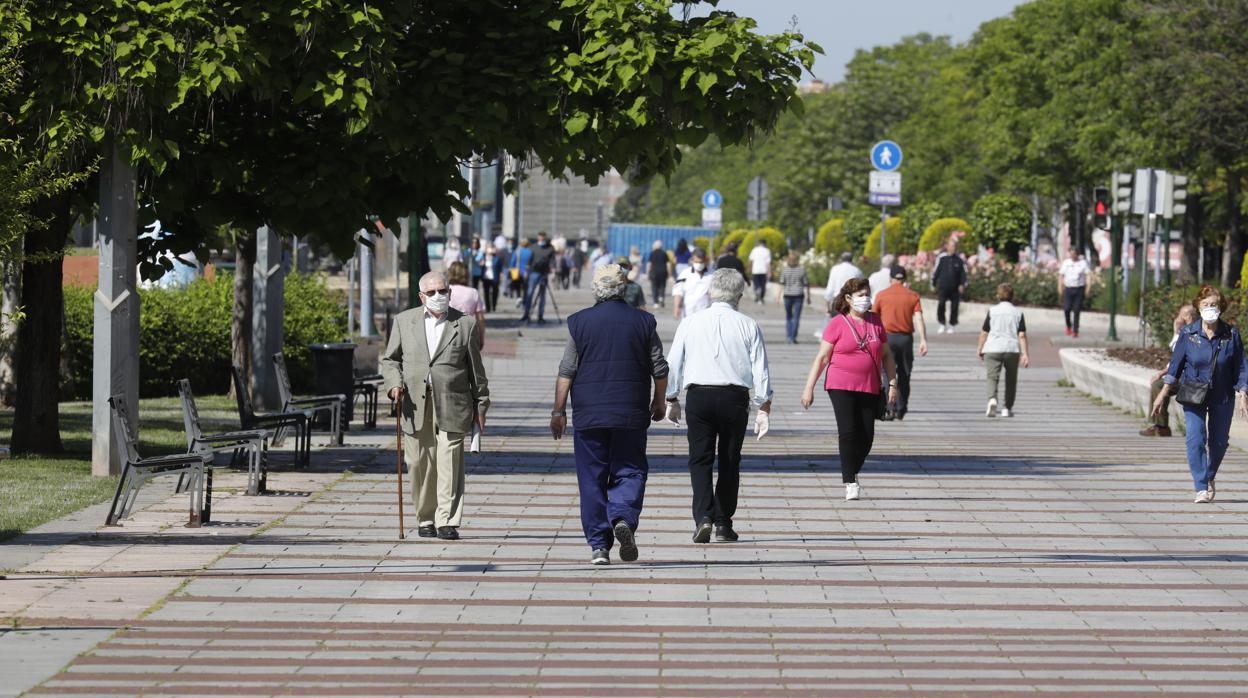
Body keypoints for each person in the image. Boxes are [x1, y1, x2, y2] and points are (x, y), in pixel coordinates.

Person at [550, 264, 669, 565]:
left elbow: (567, 370)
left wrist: (558, 410)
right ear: (624, 286)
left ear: (595, 289)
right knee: (630, 469)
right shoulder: (644, 321)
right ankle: (623, 516)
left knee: (591, 478)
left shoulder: (580, 323)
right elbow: (660, 368)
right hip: (630, 411)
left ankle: (599, 546)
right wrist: (659, 402)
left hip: (589, 414)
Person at [380, 271, 490, 541]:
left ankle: (446, 521)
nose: (438, 296)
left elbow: (476, 370)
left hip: (454, 401)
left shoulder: (465, 324)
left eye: (443, 291)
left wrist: (481, 406)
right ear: (421, 296)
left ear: (450, 293)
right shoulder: (405, 321)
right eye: (432, 293)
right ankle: (425, 517)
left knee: (449, 460)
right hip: (415, 403)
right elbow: (391, 360)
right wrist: (394, 384)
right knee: (419, 463)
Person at [665, 270, 773, 543]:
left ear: (711, 292)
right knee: (729, 460)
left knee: (700, 459)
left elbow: (674, 361)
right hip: (734, 398)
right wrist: (763, 405)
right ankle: (723, 523)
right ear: (739, 294)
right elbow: (760, 368)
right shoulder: (748, 324)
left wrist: (671, 397)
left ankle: (703, 516)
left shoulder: (690, 322)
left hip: (699, 396)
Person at [800, 277, 898, 501]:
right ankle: (850, 481)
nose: (865, 299)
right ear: (848, 299)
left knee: (867, 436)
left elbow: (886, 356)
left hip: (869, 385)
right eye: (860, 295)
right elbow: (822, 357)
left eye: (867, 294)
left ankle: (852, 468)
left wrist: (892, 383)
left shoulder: (875, 322)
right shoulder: (837, 323)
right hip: (840, 384)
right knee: (848, 432)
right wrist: (809, 388)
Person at [1152, 285, 1248, 503]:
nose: (1210, 308)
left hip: (1222, 396)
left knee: (1219, 442)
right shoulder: (1189, 333)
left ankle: (1210, 474)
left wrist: (1243, 393)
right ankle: (1201, 486)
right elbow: (1175, 366)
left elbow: (1241, 366)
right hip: (1194, 394)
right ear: (1198, 306)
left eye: (1214, 304)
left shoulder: (1231, 335)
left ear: (1221, 307)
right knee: (1195, 439)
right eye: (1206, 305)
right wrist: (1163, 393)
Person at [872, 266, 928, 419]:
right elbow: (919, 318)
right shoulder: (913, 295)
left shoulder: (881, 295)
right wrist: (923, 339)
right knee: (904, 374)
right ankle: (901, 408)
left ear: (891, 278)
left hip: (887, 339)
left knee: (886, 374)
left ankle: (889, 407)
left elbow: (873, 318)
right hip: (905, 339)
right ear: (904, 279)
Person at [1141, 304, 1197, 437]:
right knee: (1158, 384)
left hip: (1192, 377)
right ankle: (1161, 425)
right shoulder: (1183, 333)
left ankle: (1192, 430)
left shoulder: (1196, 332)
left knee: (1163, 385)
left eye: (1183, 316)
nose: (1179, 319)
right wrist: (1176, 332)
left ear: (1190, 317)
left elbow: (1184, 358)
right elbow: (1176, 357)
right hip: (1179, 375)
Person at [976, 283, 1030, 418]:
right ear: (1013, 296)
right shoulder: (1018, 313)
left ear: (998, 295)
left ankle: (992, 399)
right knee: (1011, 379)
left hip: (993, 348)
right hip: (1012, 349)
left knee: (992, 377)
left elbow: (984, 332)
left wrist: (980, 348)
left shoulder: (992, 311)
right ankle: (1007, 408)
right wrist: (1025, 354)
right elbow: (1022, 335)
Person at [446, 261, 486, 347]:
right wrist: (481, 338)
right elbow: (480, 318)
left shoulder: (445, 291)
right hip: (467, 334)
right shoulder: (473, 292)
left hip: (447, 334)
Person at [932, 241, 967, 334]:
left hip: (955, 288)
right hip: (943, 287)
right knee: (941, 305)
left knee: (955, 307)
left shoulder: (959, 260)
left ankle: (952, 324)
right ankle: (942, 323)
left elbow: (963, 274)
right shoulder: (942, 258)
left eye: (954, 246)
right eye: (951, 246)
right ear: (947, 247)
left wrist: (963, 284)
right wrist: (933, 283)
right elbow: (936, 272)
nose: (953, 248)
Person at [524, 232, 556, 324]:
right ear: (538, 237)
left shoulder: (550, 248)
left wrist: (553, 271)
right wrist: (526, 271)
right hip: (534, 272)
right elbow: (529, 260)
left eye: (543, 237)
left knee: (542, 295)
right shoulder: (533, 247)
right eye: (540, 237)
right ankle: (526, 313)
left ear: (545, 238)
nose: (541, 238)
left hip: (544, 273)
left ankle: (540, 315)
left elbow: (552, 260)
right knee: (530, 293)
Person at [778, 250, 810, 344]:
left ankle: (789, 336)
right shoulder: (801, 269)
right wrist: (808, 297)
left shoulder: (785, 269)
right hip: (798, 295)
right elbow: (806, 284)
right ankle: (793, 337)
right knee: (796, 317)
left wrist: (778, 296)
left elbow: (781, 283)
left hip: (787, 295)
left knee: (788, 316)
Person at [672, 247, 712, 319]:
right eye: (696, 262)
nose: (699, 265)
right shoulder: (684, 274)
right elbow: (678, 292)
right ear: (692, 260)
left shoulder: (712, 274)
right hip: (688, 314)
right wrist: (676, 308)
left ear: (705, 260)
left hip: (705, 315)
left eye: (701, 262)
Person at [1059, 248, 1091, 338]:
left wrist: (1088, 287)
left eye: (1074, 254)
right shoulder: (1066, 263)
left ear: (1077, 254)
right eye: (1071, 254)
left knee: (1077, 310)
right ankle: (1069, 326)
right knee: (1066, 308)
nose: (1072, 256)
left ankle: (1075, 330)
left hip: (1079, 288)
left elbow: (1088, 275)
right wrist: (1060, 286)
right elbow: (1061, 275)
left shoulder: (1083, 263)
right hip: (1068, 288)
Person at [479, 245, 504, 313]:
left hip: (494, 277)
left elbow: (500, 268)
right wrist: (481, 264)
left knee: (495, 292)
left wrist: (501, 276)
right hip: (486, 278)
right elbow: (479, 264)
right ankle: (488, 307)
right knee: (486, 293)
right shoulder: (483, 257)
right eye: (489, 248)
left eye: (492, 248)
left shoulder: (497, 258)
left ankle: (494, 306)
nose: (490, 250)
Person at [747, 239, 772, 304]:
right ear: (765, 244)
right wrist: (769, 272)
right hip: (764, 270)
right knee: (763, 285)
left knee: (756, 284)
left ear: (759, 243)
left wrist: (749, 268)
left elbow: (750, 260)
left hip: (755, 270)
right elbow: (768, 263)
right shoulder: (767, 251)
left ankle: (757, 293)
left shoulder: (754, 250)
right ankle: (761, 298)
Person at [647, 240, 670, 308]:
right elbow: (668, 264)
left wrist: (648, 273)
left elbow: (649, 264)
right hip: (663, 272)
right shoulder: (664, 253)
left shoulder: (652, 253)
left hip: (654, 272)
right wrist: (669, 272)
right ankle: (661, 297)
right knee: (662, 285)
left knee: (654, 287)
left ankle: (655, 302)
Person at [509, 238, 532, 303]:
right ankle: (525, 300)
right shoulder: (530, 251)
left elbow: (512, 262)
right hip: (527, 271)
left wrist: (511, 268)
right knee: (525, 287)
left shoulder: (517, 251)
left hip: (517, 271)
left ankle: (518, 297)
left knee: (517, 285)